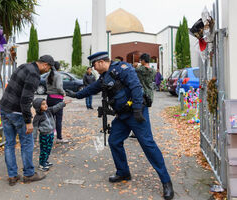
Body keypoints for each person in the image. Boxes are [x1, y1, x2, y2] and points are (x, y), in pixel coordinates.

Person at [66, 51, 174, 200]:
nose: (94, 68)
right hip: (122, 115)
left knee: (148, 145)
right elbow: (92, 89)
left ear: (102, 62)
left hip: (136, 113)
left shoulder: (123, 68)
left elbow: (136, 87)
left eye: (95, 65)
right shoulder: (104, 76)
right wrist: (76, 95)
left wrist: (137, 109)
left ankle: (166, 182)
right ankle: (123, 172)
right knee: (114, 141)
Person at [0, 55, 55, 186]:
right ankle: (29, 174)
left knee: (9, 143)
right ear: (45, 65)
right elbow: (25, 99)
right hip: (17, 112)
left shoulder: (24, 66)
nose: (47, 71)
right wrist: (28, 121)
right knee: (27, 143)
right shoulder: (34, 74)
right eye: (48, 68)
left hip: (5, 108)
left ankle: (12, 176)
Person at [33, 98, 71, 171]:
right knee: (44, 150)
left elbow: (56, 107)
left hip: (51, 134)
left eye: (45, 103)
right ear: (38, 107)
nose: (46, 105)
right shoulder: (37, 117)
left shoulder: (49, 111)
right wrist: (34, 139)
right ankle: (41, 164)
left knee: (48, 149)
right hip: (44, 136)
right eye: (43, 104)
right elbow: (34, 128)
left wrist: (63, 103)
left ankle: (45, 161)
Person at [46, 61, 69, 143]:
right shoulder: (58, 75)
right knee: (58, 119)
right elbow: (59, 87)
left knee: (50, 118)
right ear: (58, 67)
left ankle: (49, 136)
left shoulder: (48, 75)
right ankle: (59, 138)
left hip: (49, 98)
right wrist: (63, 93)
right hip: (57, 99)